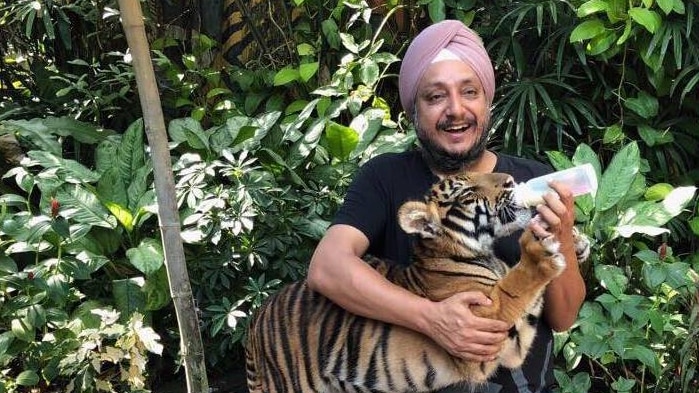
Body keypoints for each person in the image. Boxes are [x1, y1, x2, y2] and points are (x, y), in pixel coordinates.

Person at [307, 19, 586, 393]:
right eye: (435, 96)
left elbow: (564, 317)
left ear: (487, 101)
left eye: (469, 92)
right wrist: (430, 318)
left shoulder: (532, 177)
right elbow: (327, 267)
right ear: (413, 110)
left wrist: (562, 236)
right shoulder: (384, 177)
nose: (456, 109)